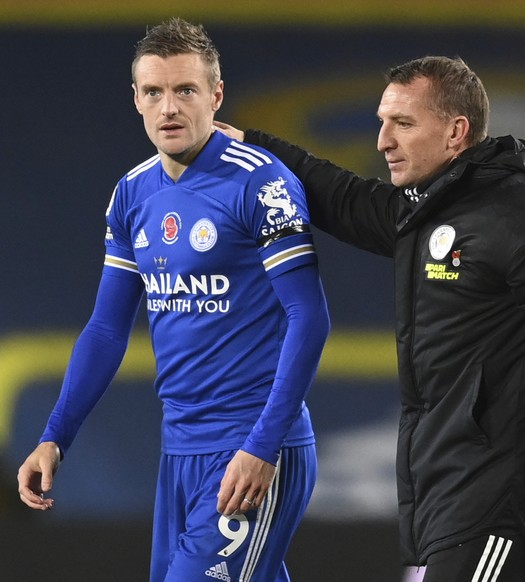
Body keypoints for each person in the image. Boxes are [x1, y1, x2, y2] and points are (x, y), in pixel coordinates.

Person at [215, 55, 525, 581]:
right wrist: (253, 146)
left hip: (496, 500)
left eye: (403, 124)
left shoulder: (520, 217)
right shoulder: (432, 212)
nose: (383, 141)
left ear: (457, 132)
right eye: (382, 123)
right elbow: (342, 197)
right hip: (457, 496)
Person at [17, 18, 330, 582]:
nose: (170, 108)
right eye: (155, 92)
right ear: (135, 100)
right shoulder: (132, 193)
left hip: (253, 446)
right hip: (179, 449)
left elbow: (309, 317)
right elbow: (107, 331)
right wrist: (54, 437)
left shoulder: (262, 184)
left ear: (215, 95)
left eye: (185, 90)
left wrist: (263, 446)